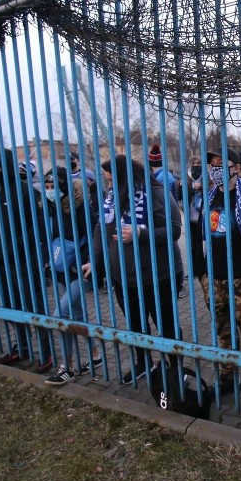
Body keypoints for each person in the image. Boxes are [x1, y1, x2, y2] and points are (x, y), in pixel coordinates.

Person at [84, 155, 182, 385]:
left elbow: (174, 231)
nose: (108, 186)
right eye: (107, 181)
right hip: (124, 279)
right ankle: (143, 362)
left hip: (159, 276)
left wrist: (140, 233)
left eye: (111, 181)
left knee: (165, 323)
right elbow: (101, 229)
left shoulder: (157, 194)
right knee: (136, 323)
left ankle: (174, 365)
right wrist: (94, 260)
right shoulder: (112, 198)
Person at [199, 147, 241, 421]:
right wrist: (202, 274)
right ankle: (227, 378)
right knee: (222, 332)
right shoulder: (207, 198)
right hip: (213, 278)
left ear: (237, 168)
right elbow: (199, 236)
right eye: (212, 164)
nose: (215, 169)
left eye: (221, 164)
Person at [0, 148, 53, 370]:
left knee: (34, 304)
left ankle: (46, 351)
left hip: (23, 260)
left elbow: (40, 227)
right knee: (10, 304)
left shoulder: (25, 192)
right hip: (1, 261)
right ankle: (21, 347)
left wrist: (22, 249)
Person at [41, 167, 104, 386]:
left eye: (54, 187)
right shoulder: (49, 209)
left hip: (81, 270)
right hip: (60, 270)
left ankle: (66, 367)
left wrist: (91, 261)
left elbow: (98, 234)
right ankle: (95, 356)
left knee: (62, 313)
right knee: (77, 314)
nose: (50, 191)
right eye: (47, 187)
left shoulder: (82, 208)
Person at [147, 144, 185, 298]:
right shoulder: (163, 175)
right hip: (167, 219)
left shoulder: (163, 178)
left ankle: (178, 284)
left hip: (168, 220)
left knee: (172, 252)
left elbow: (164, 202)